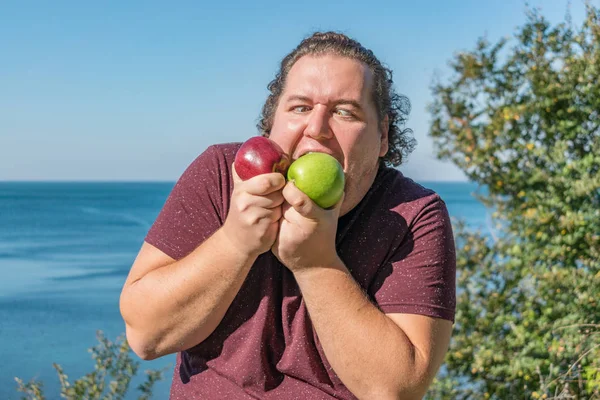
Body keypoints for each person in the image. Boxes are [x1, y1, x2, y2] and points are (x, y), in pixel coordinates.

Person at [120, 31, 456, 400]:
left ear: (383, 136)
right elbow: (145, 336)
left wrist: (314, 263)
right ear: (272, 123)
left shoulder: (413, 215)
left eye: (345, 111)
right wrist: (236, 241)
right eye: (300, 107)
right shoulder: (221, 174)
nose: (317, 128)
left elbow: (396, 389)